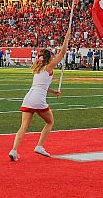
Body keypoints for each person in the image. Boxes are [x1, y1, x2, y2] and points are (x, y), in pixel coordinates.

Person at [9, 29, 70, 161]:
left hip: (29, 98)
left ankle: (13, 150)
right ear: (49, 58)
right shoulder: (49, 67)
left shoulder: (37, 67)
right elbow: (63, 52)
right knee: (50, 122)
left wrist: (54, 92)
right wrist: (67, 38)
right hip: (38, 99)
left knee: (24, 127)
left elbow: (42, 85)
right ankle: (39, 146)